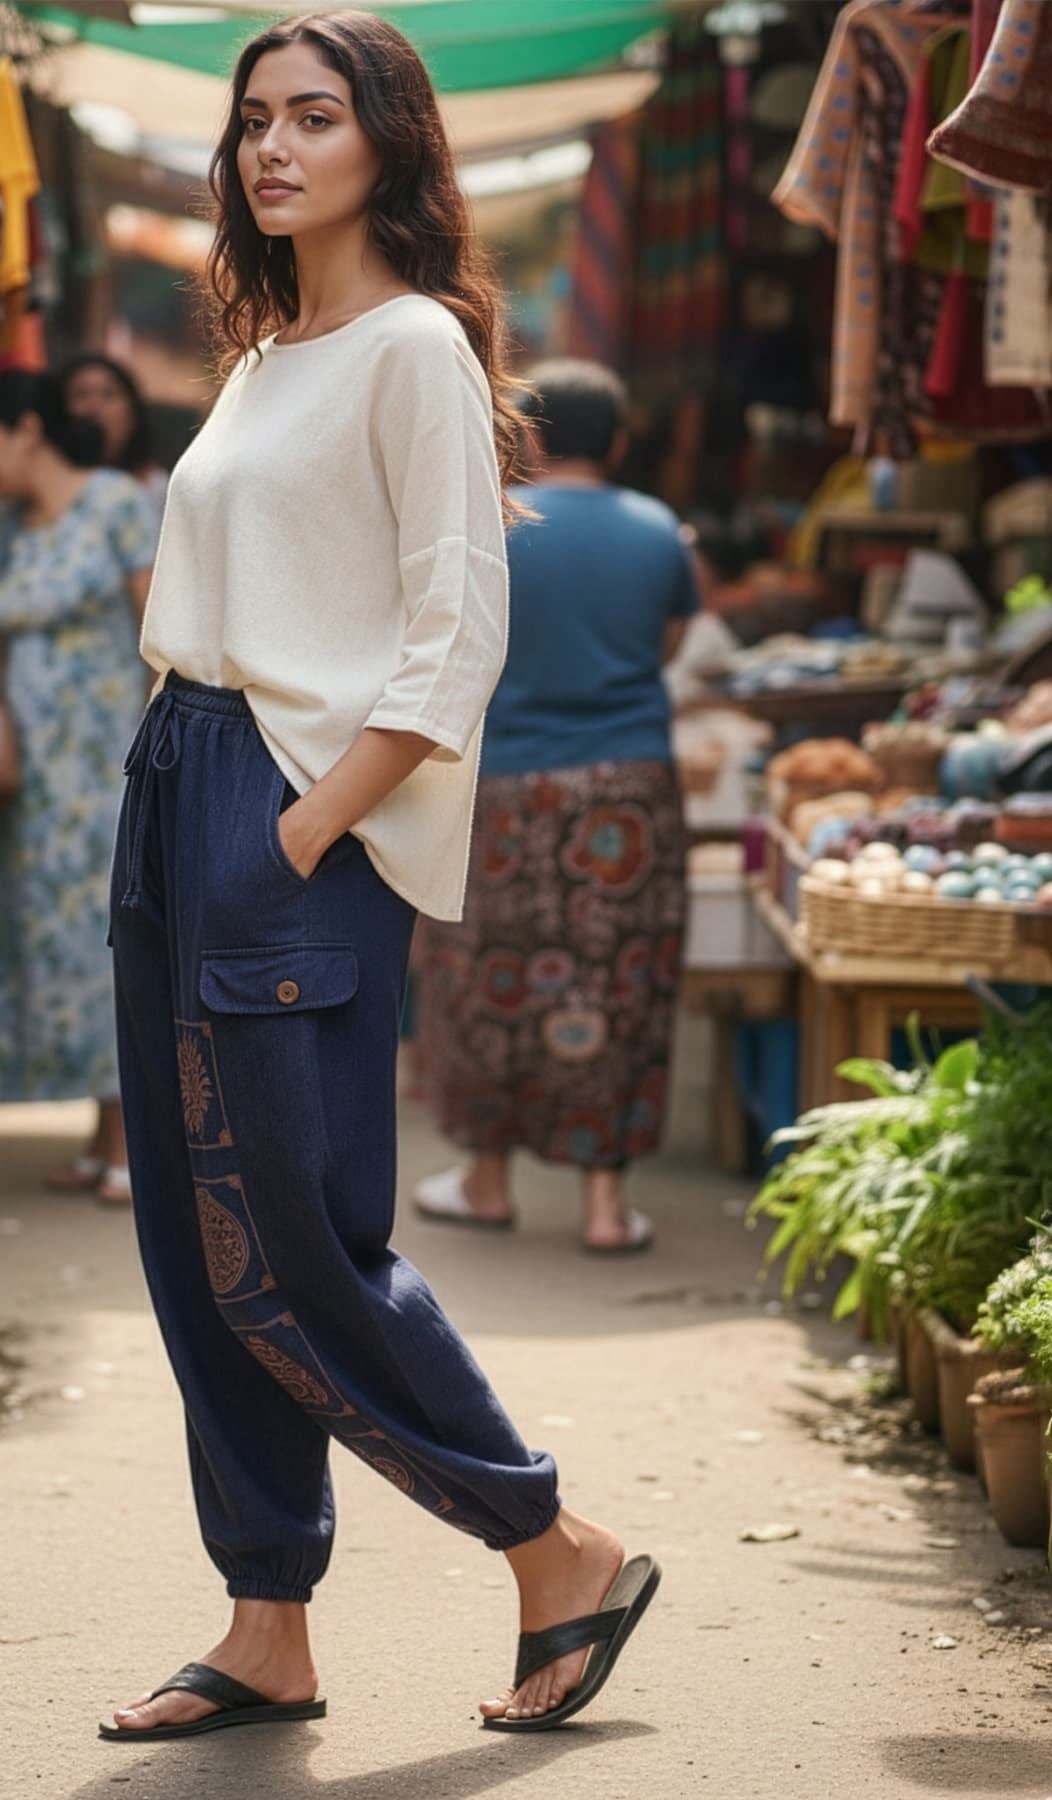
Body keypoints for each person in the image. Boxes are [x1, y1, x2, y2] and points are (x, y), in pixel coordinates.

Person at [102, 10, 658, 1744]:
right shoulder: (269, 354)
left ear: (387, 145)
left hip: (282, 812)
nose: (274, 146)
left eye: (315, 116)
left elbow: (454, 628)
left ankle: (552, 1542)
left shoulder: (413, 346)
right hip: (179, 782)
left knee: (305, 1243)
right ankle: (269, 1620)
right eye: (255, 118)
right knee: (194, 1248)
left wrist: (304, 824)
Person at [411, 360, 696, 1255]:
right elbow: (671, 642)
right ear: (617, 442)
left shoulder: (497, 528)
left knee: (487, 980)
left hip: (501, 786)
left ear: (528, 437)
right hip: (629, 791)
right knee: (618, 985)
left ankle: (488, 1183)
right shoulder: (659, 531)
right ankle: (606, 1209)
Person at [0, 370, 156, 1204]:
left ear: (27, 429)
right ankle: (97, 1135)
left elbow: (158, 634)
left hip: (102, 773)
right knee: (44, 947)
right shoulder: (9, 527)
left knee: (103, 947)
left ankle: (130, 1143)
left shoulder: (115, 503)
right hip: (29, 786)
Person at [64, 352, 171, 532]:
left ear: (133, 413)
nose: (93, 407)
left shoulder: (155, 488)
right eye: (81, 395)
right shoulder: (44, 489)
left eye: (108, 395)